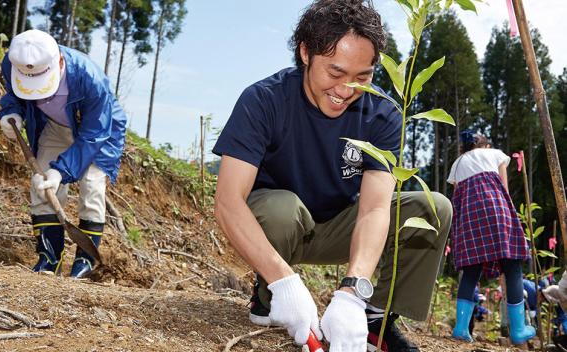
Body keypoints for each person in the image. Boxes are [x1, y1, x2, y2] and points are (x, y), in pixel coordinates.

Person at [212, 1, 452, 350]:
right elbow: (228, 202)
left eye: (363, 77)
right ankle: (270, 292)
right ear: (305, 52)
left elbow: (373, 210)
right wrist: (285, 282)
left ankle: (373, 318)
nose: (346, 90)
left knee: (433, 209)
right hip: (282, 226)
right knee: (281, 208)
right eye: (335, 73)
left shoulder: (382, 114)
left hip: (343, 225)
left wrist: (353, 292)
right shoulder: (263, 100)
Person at [0, 29, 127, 278]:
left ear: (58, 62)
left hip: (99, 130)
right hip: (53, 125)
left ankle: (85, 262)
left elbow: (93, 136)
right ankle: (49, 257)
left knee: (91, 186)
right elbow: (13, 93)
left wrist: (61, 171)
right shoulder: (13, 61)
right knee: (42, 185)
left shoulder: (90, 78)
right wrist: (12, 112)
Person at [448, 130, 535, 345]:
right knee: (512, 267)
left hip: (468, 219)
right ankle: (518, 330)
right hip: (496, 212)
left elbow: (458, 196)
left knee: (471, 270)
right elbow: (503, 189)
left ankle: (460, 328)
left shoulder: (457, 164)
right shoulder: (495, 153)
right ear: (485, 145)